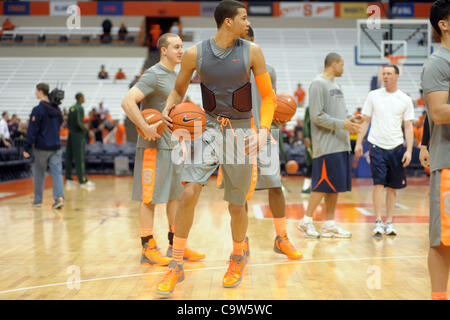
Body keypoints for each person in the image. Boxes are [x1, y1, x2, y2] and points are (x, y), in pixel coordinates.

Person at [155, 0, 276, 296]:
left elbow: (269, 96)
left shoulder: (253, 52)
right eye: (243, 19)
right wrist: (167, 109)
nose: (248, 23)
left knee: (237, 204)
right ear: (227, 22)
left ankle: (237, 257)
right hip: (207, 128)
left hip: (240, 131)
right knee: (188, 192)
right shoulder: (196, 54)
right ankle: (177, 262)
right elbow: (178, 90)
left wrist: (263, 131)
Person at [121, 33, 204, 268]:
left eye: (182, 47)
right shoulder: (154, 74)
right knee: (149, 200)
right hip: (153, 147)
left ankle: (175, 243)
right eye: (176, 47)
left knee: (174, 198)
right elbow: (128, 101)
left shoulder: (176, 77)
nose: (181, 51)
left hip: (173, 146)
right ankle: (148, 246)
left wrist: (181, 142)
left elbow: (175, 116)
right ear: (164, 50)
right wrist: (144, 126)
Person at [240, 25, 302, 259]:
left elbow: (270, 104)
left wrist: (278, 119)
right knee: (240, 195)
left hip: (265, 136)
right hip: (239, 138)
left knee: (275, 187)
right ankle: (241, 242)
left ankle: (282, 237)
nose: (244, 46)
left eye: (247, 41)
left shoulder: (269, 71)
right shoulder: (228, 72)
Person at [297, 53, 361, 238]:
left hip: (341, 144)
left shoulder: (336, 85)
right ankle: (306, 220)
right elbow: (316, 116)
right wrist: (343, 124)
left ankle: (329, 224)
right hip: (326, 146)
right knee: (322, 185)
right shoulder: (318, 83)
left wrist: (351, 120)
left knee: (335, 186)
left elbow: (339, 115)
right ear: (333, 64)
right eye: (341, 64)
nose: (343, 68)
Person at [355, 65, 414, 237]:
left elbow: (408, 127)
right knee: (378, 184)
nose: (386, 76)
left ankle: (389, 222)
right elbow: (365, 121)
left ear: (397, 76)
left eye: (389, 74)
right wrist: (359, 142)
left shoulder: (405, 99)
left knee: (392, 188)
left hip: (396, 147)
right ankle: (378, 221)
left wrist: (409, 150)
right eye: (384, 74)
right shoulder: (373, 96)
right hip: (376, 145)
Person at [421, 0, 450, 301]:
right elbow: (440, 113)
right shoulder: (438, 63)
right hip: (448, 164)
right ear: (444, 24)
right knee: (444, 241)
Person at [24, 83, 64, 209]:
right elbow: (60, 122)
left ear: (41, 92)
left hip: (42, 147)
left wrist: (27, 147)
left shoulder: (38, 110)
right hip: (56, 146)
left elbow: (32, 130)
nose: (35, 93)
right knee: (57, 173)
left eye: (36, 91)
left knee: (39, 174)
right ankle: (59, 198)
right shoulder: (57, 110)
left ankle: (38, 200)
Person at [65, 93, 95, 187]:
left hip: (70, 134)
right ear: (80, 98)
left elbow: (68, 122)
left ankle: (68, 178)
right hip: (78, 135)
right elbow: (79, 122)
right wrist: (87, 130)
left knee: (69, 156)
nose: (84, 99)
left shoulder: (71, 108)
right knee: (79, 158)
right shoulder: (79, 108)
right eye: (83, 97)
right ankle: (82, 180)